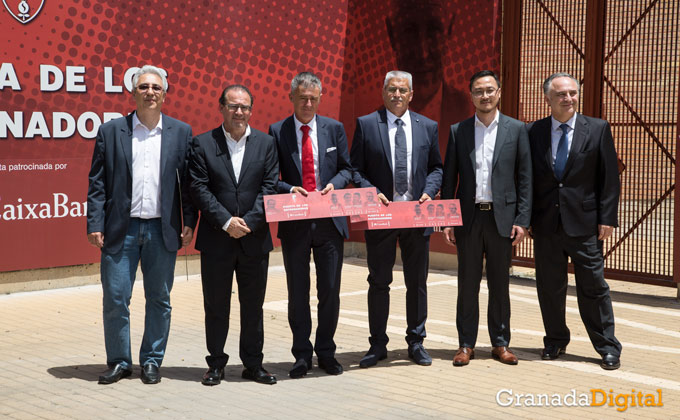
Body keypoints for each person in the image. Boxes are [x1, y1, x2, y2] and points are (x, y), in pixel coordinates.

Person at [86, 65, 196, 385]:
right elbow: (97, 184)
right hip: (122, 230)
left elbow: (188, 185)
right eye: (144, 86)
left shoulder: (181, 132)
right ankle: (120, 361)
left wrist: (189, 220)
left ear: (165, 94)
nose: (150, 92)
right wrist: (95, 222)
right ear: (133, 92)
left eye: (156, 87)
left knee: (159, 299)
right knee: (116, 297)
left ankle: (151, 360)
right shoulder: (111, 131)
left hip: (163, 230)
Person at [528, 72, 622, 370]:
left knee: (594, 287)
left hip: (585, 224)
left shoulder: (596, 128)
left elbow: (609, 178)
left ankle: (607, 346)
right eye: (561, 94)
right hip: (546, 225)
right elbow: (526, 178)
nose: (568, 98)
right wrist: (526, 217)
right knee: (549, 287)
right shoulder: (534, 131)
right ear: (548, 99)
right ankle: (555, 340)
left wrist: (607, 217)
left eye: (572, 93)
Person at [351, 70, 443, 368]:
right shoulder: (366, 125)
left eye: (403, 90)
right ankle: (377, 344)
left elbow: (436, 168)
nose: (397, 95)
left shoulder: (427, 126)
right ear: (383, 92)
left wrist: (429, 192)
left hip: (417, 215)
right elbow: (356, 170)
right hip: (381, 216)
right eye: (392, 89)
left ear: (411, 94)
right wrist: (372, 191)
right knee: (379, 281)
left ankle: (416, 343)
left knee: (417, 282)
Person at [441, 70, 532, 367]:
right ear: (471, 96)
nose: (485, 96)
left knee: (499, 284)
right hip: (468, 218)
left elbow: (525, 178)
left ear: (499, 92)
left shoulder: (516, 130)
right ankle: (465, 344)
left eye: (490, 90)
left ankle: (500, 343)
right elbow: (449, 178)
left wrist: (522, 219)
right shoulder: (459, 131)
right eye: (479, 91)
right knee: (467, 284)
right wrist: (448, 219)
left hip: (501, 218)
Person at [190, 84, 279, 385]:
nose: (238, 112)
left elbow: (269, 186)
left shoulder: (266, 144)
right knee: (216, 305)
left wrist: (249, 222)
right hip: (217, 238)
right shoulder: (203, 143)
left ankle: (253, 364)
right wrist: (227, 222)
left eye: (244, 107)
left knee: (253, 305)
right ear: (222, 108)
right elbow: (199, 188)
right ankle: (215, 364)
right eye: (232, 106)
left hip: (254, 239)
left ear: (251, 110)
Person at [268, 72, 353, 378]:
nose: (307, 103)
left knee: (330, 289)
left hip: (330, 221)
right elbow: (270, 177)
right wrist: (287, 189)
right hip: (296, 223)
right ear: (292, 97)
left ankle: (326, 351)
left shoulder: (334, 129)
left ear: (320, 98)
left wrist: (334, 184)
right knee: (298, 291)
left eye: (313, 98)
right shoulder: (277, 131)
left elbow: (347, 169)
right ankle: (302, 354)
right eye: (302, 97)